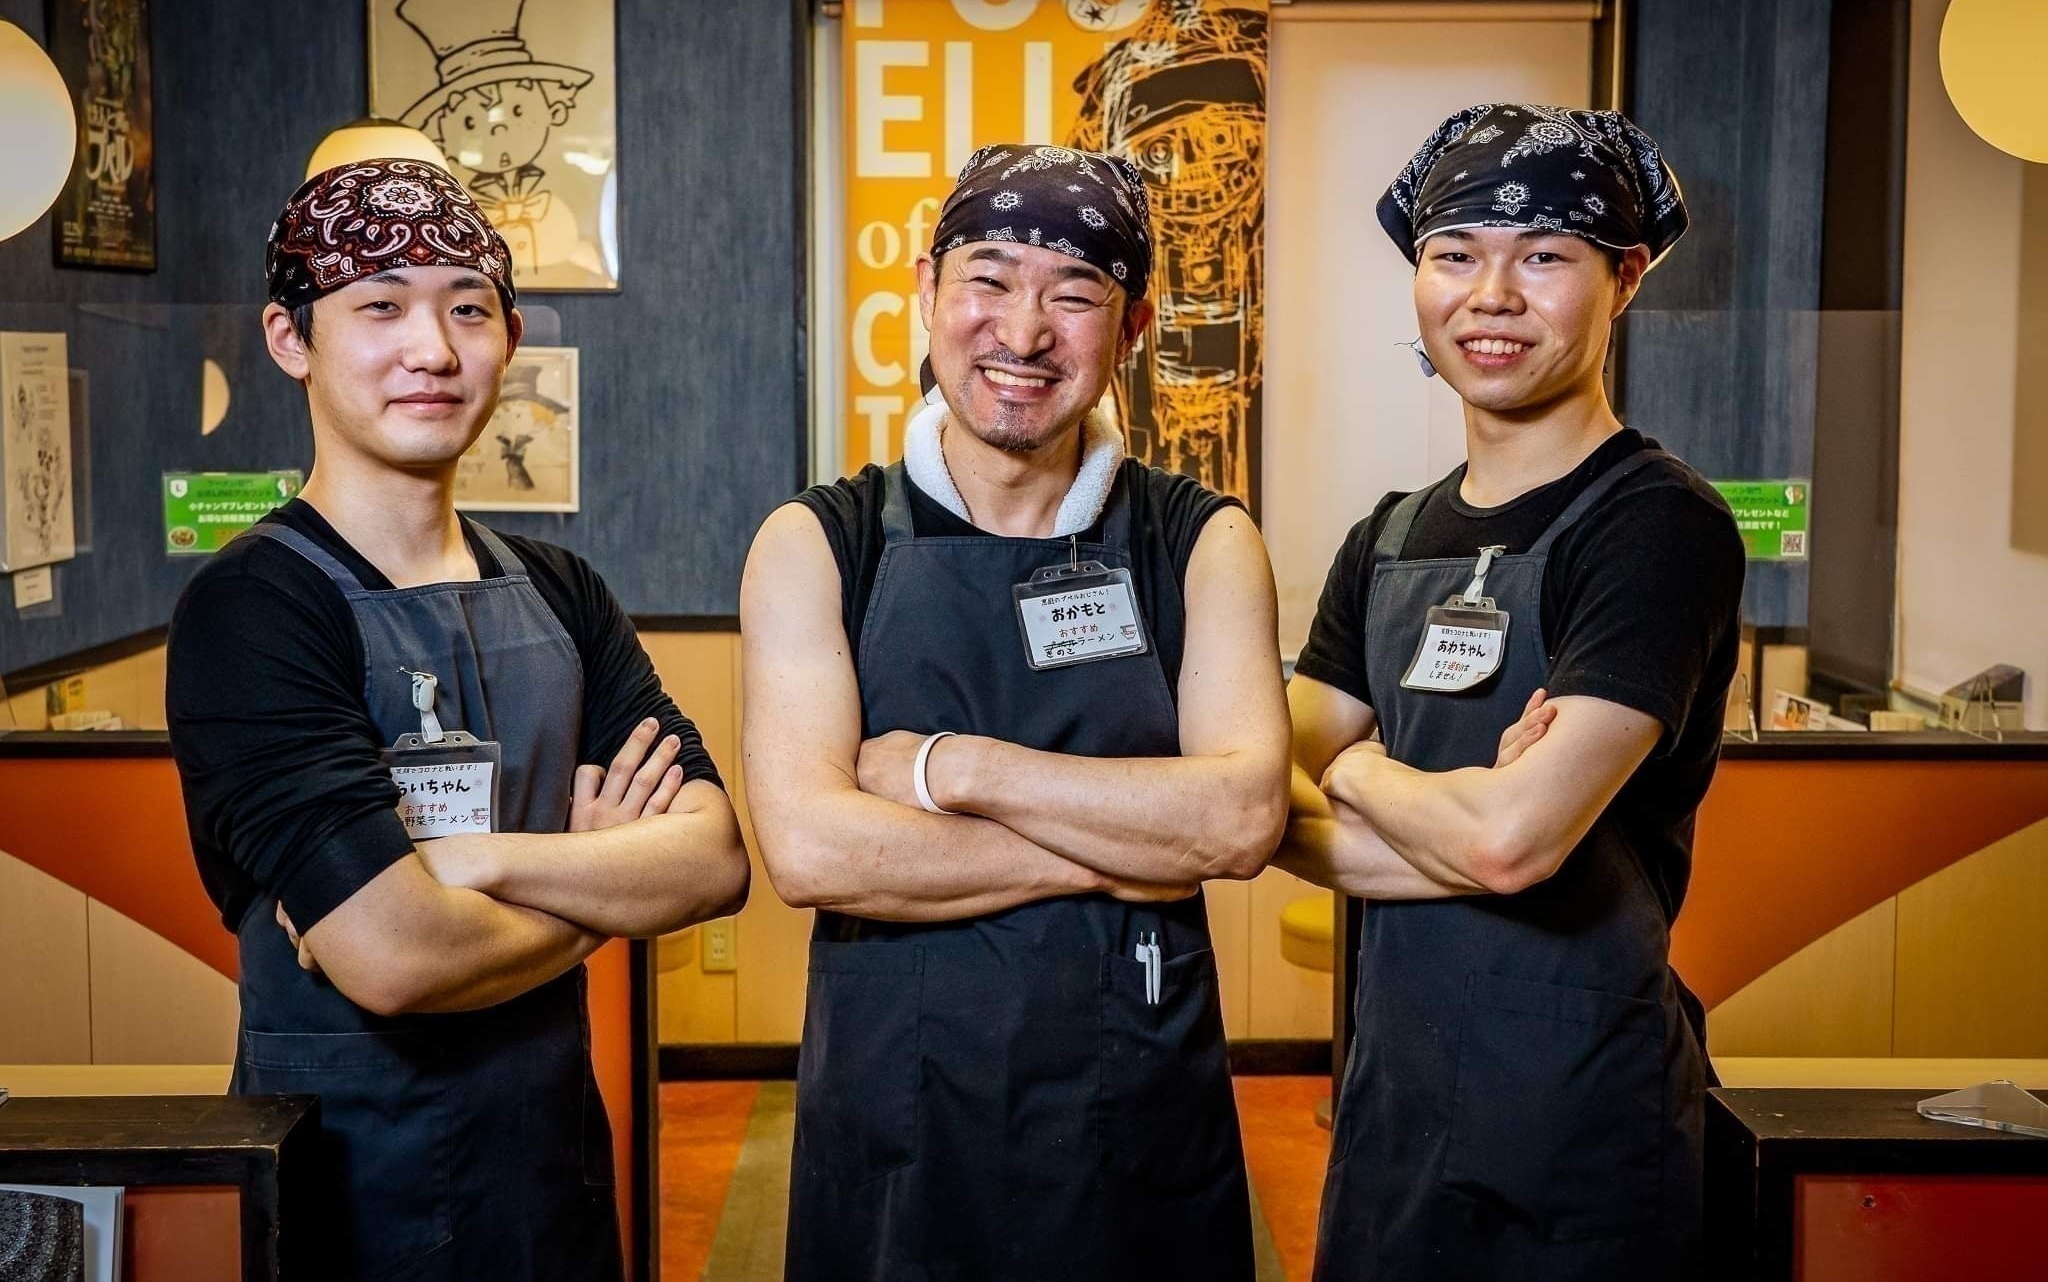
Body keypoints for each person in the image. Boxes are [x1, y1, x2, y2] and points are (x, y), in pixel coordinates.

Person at [165, 157, 749, 1281]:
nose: (432, 349)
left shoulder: (561, 589)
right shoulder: (252, 609)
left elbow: (714, 861)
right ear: (291, 338)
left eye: (467, 309)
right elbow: (395, 957)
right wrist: (597, 887)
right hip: (352, 1199)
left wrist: (468, 863)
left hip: (550, 1182)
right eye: (380, 305)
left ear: (510, 337)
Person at [741, 143, 1291, 1280]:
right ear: (926, 290)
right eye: (987, 280)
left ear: (1132, 328)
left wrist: (953, 771)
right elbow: (811, 849)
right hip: (899, 1109)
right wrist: (1128, 849)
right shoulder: (818, 543)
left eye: (1074, 294)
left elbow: (1239, 819)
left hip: (1134, 1097)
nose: (1023, 332)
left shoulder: (1203, 542)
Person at [1278, 105, 1745, 1280]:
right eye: (1454, 254)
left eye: (1541, 255)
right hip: (1393, 1103)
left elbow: (1508, 843)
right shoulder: (1387, 537)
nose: (1489, 296)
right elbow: (1256, 801)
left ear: (1621, 279)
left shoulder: (1654, 527)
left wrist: (1354, 769)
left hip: (1581, 1124)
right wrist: (1460, 815)